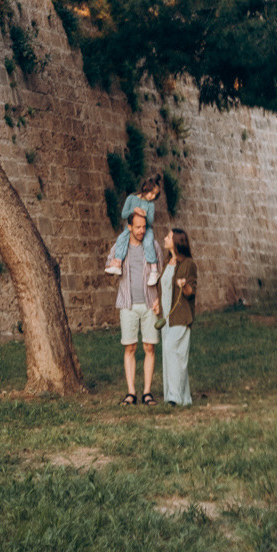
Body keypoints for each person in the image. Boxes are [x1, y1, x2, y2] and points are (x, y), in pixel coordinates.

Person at [114, 205, 163, 405]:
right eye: (137, 227)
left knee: (149, 347)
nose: (142, 231)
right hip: (128, 304)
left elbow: (160, 274)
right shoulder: (120, 246)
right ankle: (131, 393)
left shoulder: (153, 246)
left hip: (150, 304)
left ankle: (147, 392)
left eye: (144, 227)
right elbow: (110, 265)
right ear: (129, 227)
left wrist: (159, 299)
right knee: (130, 347)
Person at [158, 227, 197, 407]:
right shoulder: (168, 262)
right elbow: (164, 287)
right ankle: (182, 398)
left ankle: (174, 397)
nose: (165, 238)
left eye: (169, 236)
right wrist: (157, 302)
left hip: (181, 316)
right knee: (174, 356)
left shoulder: (189, 264)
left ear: (177, 241)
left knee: (171, 349)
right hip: (166, 316)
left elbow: (191, 291)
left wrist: (184, 285)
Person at [104, 174, 161, 284]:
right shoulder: (131, 198)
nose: (153, 197)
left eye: (155, 195)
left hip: (146, 229)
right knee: (121, 239)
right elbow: (124, 214)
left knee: (148, 242)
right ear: (145, 188)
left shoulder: (151, 205)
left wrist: (144, 214)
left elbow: (150, 222)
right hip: (130, 227)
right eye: (151, 193)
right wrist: (134, 210)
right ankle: (118, 263)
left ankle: (154, 270)